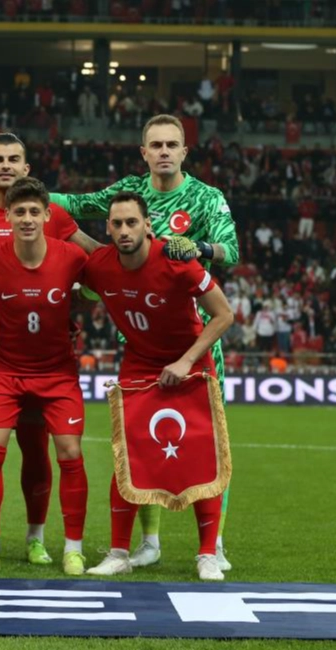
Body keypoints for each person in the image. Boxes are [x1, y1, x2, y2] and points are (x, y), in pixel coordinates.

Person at [50, 113, 239, 571]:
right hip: (139, 341)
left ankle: (212, 545)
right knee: (138, 445)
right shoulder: (126, 193)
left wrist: (199, 249)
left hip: (196, 338)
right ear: (144, 152)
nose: (164, 152)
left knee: (204, 444)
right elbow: (73, 204)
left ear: (184, 151)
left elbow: (230, 252)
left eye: (172, 145)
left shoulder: (207, 198)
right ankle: (148, 542)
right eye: (156, 145)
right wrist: (22, 189)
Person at [0, 132, 100, 567]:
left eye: (14, 158)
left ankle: (36, 539)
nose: (6, 165)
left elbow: (96, 260)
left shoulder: (55, 219)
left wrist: (77, 303)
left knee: (37, 449)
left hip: (46, 357)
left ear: (26, 168)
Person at [82, 191, 234, 581]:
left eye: (132, 222)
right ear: (108, 228)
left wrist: (186, 360)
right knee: (129, 458)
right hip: (139, 365)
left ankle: (207, 554)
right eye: (117, 223)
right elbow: (66, 245)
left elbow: (224, 315)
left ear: (148, 225)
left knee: (202, 456)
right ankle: (119, 553)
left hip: (190, 364)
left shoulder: (176, 261)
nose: (124, 230)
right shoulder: (99, 265)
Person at [0, 177, 89, 575]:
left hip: (57, 374)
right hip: (5, 372)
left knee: (69, 453)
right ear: (7, 216)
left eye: (34, 211)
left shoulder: (71, 257)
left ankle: (67, 548)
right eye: (19, 212)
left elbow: (106, 282)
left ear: (47, 215)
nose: (26, 218)